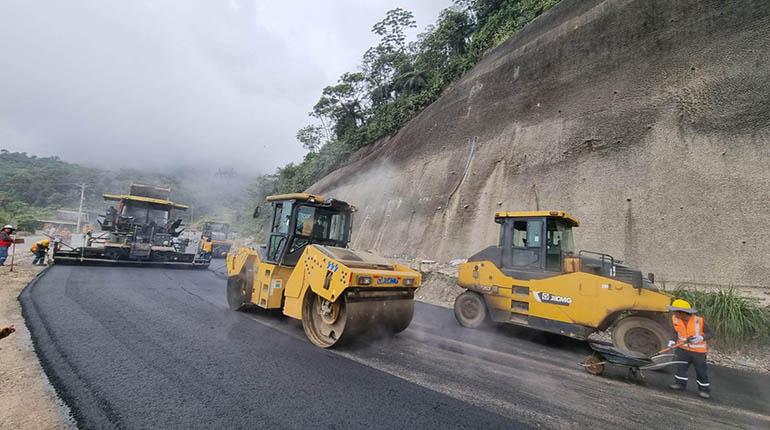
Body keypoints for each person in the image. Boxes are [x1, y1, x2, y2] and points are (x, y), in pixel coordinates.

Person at [668, 299, 714, 399]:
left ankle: (704, 390)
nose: (674, 313)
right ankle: (680, 384)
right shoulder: (675, 319)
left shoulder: (699, 321)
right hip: (682, 349)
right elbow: (675, 332)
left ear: (682, 312)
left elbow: (710, 333)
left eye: (676, 311)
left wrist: (700, 338)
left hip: (698, 353)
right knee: (681, 368)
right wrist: (672, 340)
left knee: (701, 371)